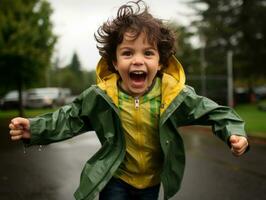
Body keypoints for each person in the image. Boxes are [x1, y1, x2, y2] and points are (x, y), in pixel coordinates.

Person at [9, 1, 249, 200]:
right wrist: (36, 128)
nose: (137, 60)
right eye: (127, 52)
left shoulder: (174, 95)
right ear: (114, 63)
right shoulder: (101, 96)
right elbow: (69, 118)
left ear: (161, 62)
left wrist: (234, 133)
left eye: (148, 53)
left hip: (152, 183)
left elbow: (216, 112)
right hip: (115, 179)